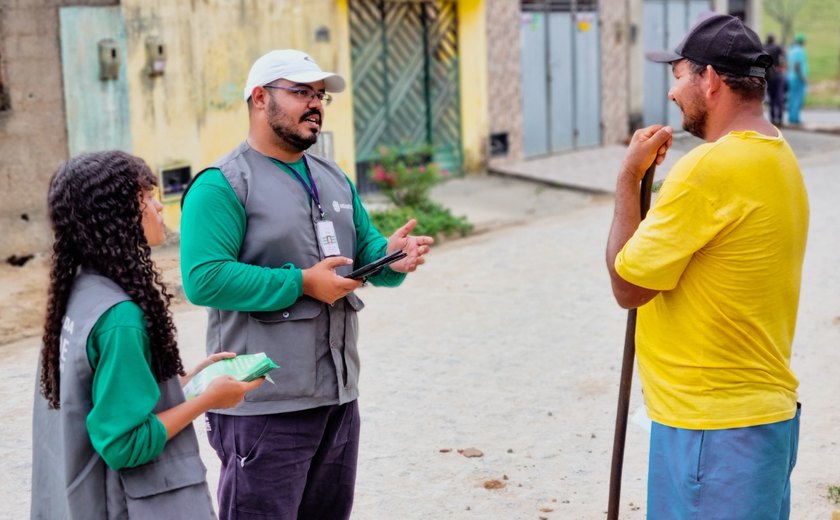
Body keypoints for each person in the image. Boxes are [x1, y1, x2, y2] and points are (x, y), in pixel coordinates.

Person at [179, 49, 434, 519]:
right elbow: (203, 279)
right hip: (262, 404)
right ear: (259, 98)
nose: (314, 104)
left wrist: (391, 260)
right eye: (300, 92)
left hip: (337, 398)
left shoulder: (333, 177)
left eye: (319, 96)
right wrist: (301, 283)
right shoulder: (223, 184)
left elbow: (364, 254)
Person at [606, 13, 808, 519]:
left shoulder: (708, 167)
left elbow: (628, 287)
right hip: (761, 422)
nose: (672, 95)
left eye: (678, 77)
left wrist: (629, 179)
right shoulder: (779, 157)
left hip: (710, 429)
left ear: (711, 79)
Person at [31, 151, 264, 519]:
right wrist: (208, 400)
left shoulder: (79, 294)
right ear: (115, 215)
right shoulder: (119, 317)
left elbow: (107, 397)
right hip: (123, 505)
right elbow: (125, 443)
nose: (159, 206)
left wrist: (185, 383)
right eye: (147, 197)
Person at [764, 33, 786, 126]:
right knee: (779, 97)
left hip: (768, 75)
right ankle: (780, 119)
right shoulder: (777, 47)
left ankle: (772, 118)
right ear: (773, 39)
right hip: (777, 75)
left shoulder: (763, 48)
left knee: (772, 98)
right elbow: (783, 58)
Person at [786, 33, 808, 125]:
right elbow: (797, 65)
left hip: (790, 77)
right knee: (797, 98)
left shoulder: (791, 50)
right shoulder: (800, 51)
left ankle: (791, 117)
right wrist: (802, 77)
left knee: (791, 97)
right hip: (797, 78)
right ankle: (795, 118)